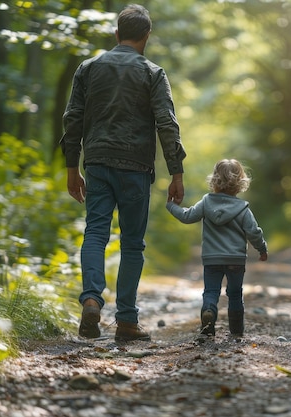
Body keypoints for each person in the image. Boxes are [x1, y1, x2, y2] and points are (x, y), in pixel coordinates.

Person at [60, 4, 186, 342]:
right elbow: (167, 124)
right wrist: (177, 172)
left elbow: (72, 119)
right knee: (132, 244)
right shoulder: (153, 73)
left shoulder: (88, 68)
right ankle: (127, 322)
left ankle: (90, 300)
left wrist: (72, 167)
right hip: (136, 168)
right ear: (146, 36)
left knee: (95, 233)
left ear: (116, 34)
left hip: (97, 163)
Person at [166, 159, 268, 337]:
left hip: (212, 259)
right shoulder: (243, 209)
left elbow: (187, 216)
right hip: (235, 260)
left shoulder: (206, 202)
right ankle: (236, 331)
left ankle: (208, 315)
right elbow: (254, 232)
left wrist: (171, 206)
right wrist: (262, 249)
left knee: (211, 291)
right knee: (235, 294)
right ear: (240, 182)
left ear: (214, 179)